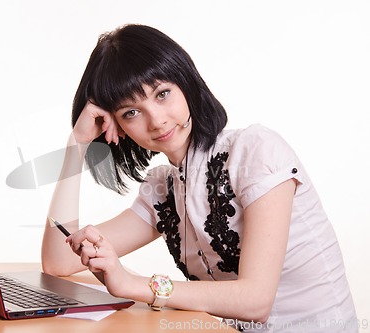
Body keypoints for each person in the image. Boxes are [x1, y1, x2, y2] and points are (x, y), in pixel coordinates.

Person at [41, 24, 357, 332]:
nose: (157, 119)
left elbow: (255, 301)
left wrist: (132, 284)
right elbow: (58, 263)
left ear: (186, 84)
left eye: (162, 94)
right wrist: (77, 145)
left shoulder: (255, 151)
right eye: (131, 112)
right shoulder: (162, 188)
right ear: (119, 128)